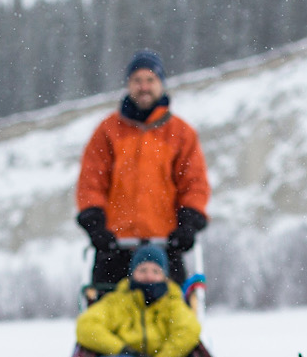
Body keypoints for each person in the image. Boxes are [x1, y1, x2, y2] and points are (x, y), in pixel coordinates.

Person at [75, 49, 210, 289]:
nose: (144, 87)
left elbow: (194, 183)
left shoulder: (181, 133)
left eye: (150, 80)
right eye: (137, 80)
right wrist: (95, 224)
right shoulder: (107, 132)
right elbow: (91, 181)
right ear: (129, 85)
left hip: (165, 247)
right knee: (105, 320)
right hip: (114, 246)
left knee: (174, 320)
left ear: (161, 84)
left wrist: (188, 224)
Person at [76, 245, 201, 357]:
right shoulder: (116, 301)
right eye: (143, 270)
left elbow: (188, 330)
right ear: (132, 273)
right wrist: (123, 350)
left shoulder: (173, 303)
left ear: (165, 276)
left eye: (156, 271)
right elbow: (87, 326)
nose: (149, 276)